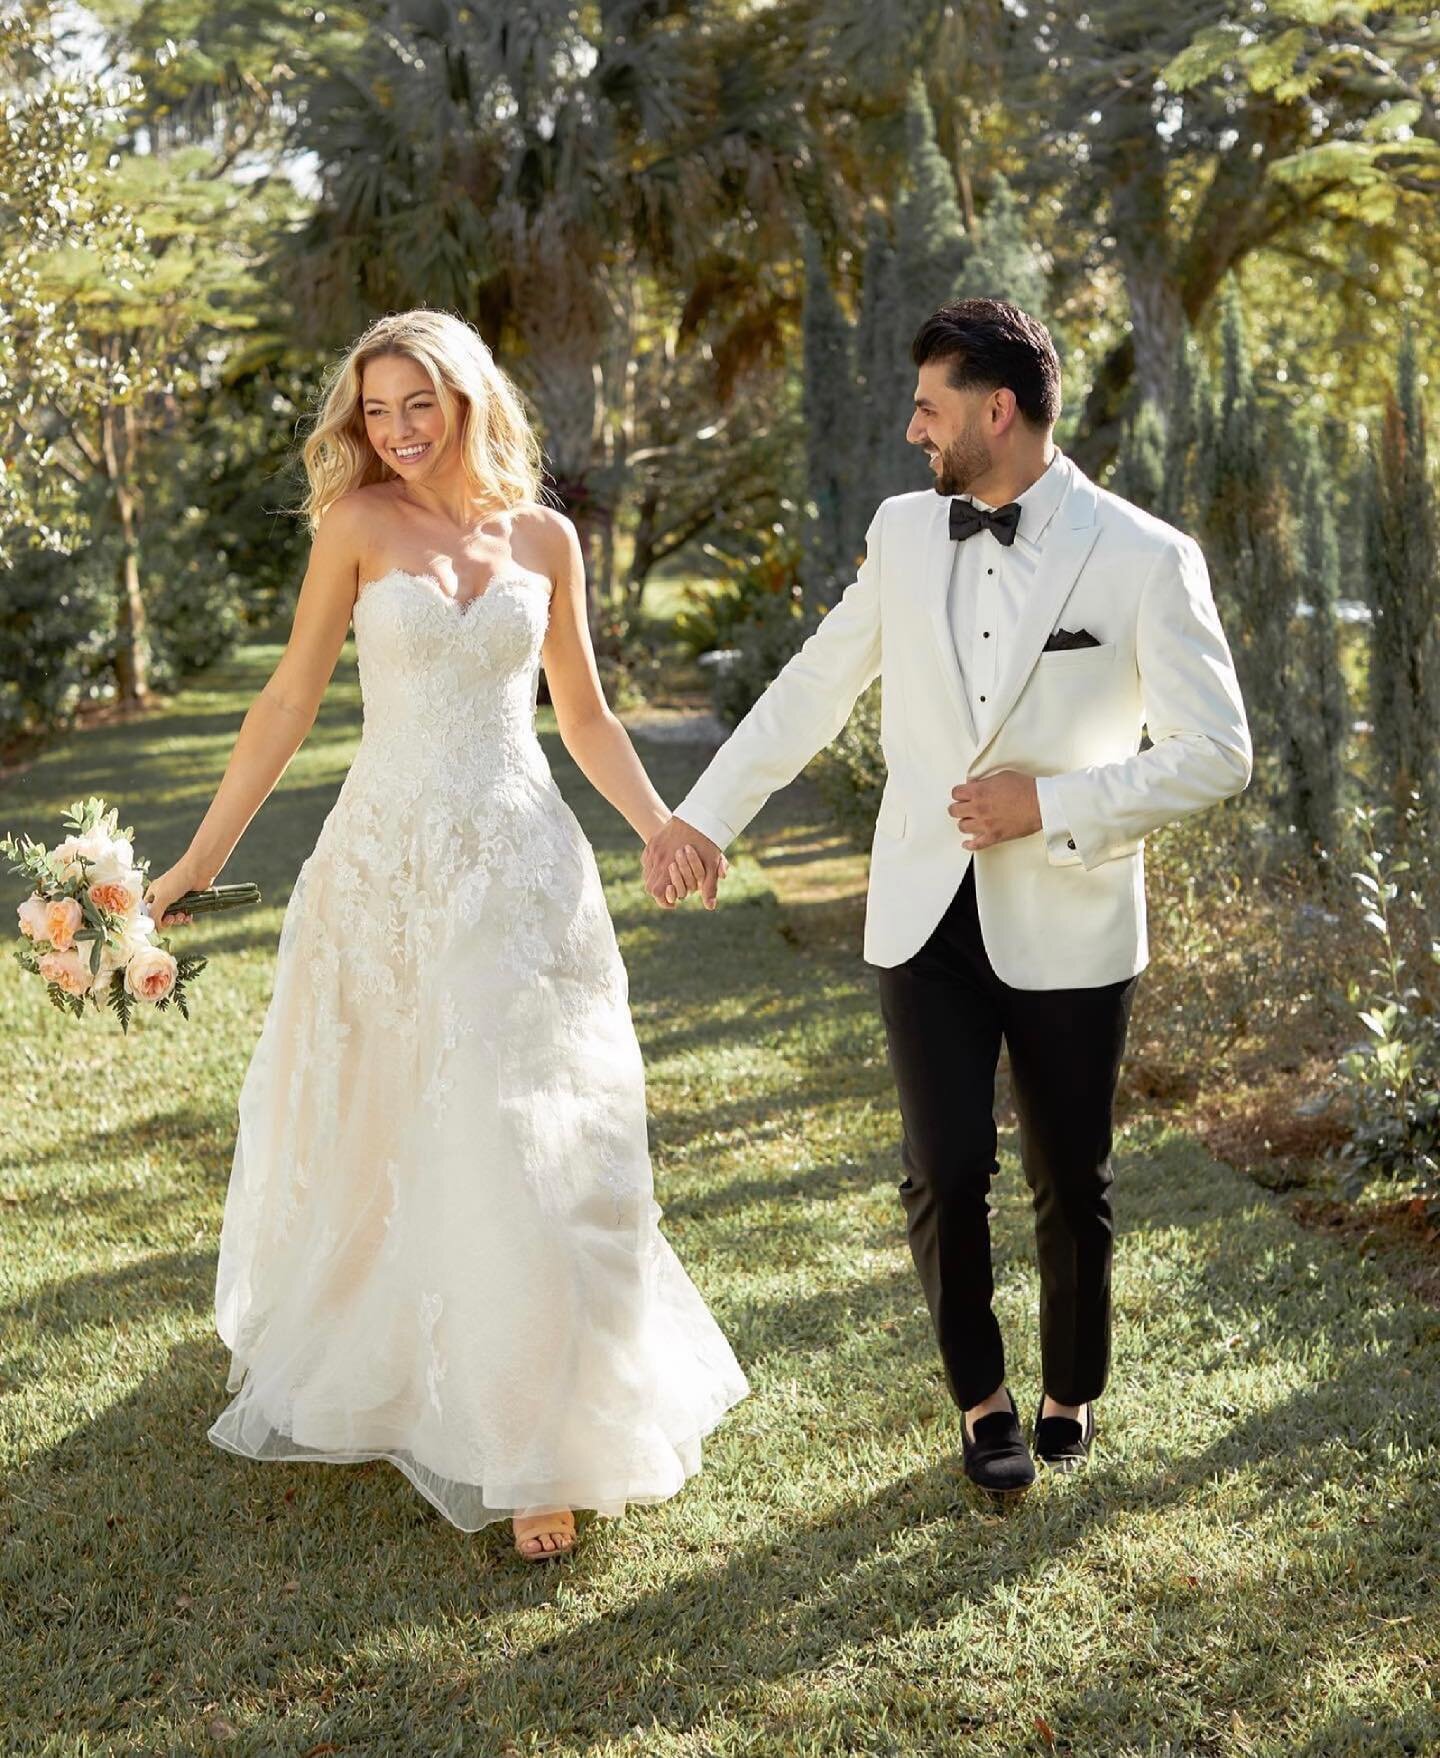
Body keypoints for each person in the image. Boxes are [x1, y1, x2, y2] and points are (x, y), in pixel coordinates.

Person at [146, 309, 748, 1559]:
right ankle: (407, 1359)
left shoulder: (547, 538)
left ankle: (535, 1440)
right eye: (375, 411)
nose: (398, 432)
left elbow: (581, 713)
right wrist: (202, 861)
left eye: (418, 404)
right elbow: (287, 701)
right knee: (397, 1115)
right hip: (387, 865)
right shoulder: (356, 528)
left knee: (527, 1122)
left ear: (469, 400)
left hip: (524, 865)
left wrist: (656, 822)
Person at [644, 298, 1251, 1495]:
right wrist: (702, 820)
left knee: (1071, 1176)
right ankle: (983, 1401)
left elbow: (1218, 751)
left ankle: (1073, 1385)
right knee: (941, 1165)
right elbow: (812, 690)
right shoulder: (904, 535)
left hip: (1072, 911)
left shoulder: (1144, 556)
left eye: (930, 407)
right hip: (923, 908)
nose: (914, 430)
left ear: (998, 408)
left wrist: (1054, 803)